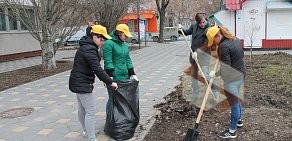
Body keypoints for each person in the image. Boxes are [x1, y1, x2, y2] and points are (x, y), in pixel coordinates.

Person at [69, 25, 118, 141]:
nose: (102, 42)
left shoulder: (86, 46)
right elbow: (98, 69)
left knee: (82, 109)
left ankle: (86, 130)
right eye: (101, 39)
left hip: (77, 81)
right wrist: (111, 82)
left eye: (104, 40)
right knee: (90, 111)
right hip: (82, 84)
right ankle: (91, 138)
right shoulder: (89, 49)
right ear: (94, 36)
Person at [207, 26, 245, 139]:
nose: (214, 43)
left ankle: (232, 131)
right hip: (241, 74)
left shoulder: (224, 47)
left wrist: (215, 74)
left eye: (213, 40)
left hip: (232, 80)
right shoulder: (235, 39)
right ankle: (239, 121)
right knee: (237, 99)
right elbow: (240, 55)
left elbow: (226, 69)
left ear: (218, 36)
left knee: (234, 104)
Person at [178, 13, 218, 99]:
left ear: (206, 20)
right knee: (194, 76)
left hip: (203, 57)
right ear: (197, 22)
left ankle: (215, 92)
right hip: (193, 57)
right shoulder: (194, 26)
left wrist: (197, 52)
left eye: (204, 22)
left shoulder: (209, 29)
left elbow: (206, 45)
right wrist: (181, 29)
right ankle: (195, 94)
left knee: (206, 76)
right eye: (200, 23)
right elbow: (187, 32)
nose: (202, 24)